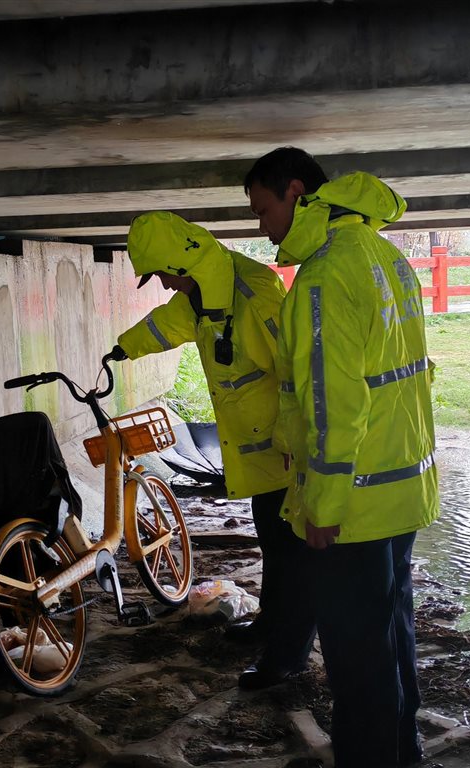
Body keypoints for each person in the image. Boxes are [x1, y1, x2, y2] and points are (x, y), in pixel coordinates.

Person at [244, 147, 440, 767]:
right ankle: (403, 752)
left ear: (297, 193)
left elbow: (333, 407)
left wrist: (322, 506)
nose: (261, 225)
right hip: (400, 488)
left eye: (264, 208)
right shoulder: (387, 257)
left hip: (352, 503)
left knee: (357, 660)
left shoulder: (326, 276)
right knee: (392, 635)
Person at [108, 210, 316, 690]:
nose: (161, 284)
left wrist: (292, 442)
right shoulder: (203, 292)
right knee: (271, 538)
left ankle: (288, 655)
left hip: (282, 449)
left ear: (183, 264)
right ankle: (270, 623)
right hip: (259, 451)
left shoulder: (253, 293)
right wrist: (123, 348)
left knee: (293, 554)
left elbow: (293, 373)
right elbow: (167, 325)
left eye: (161, 274)